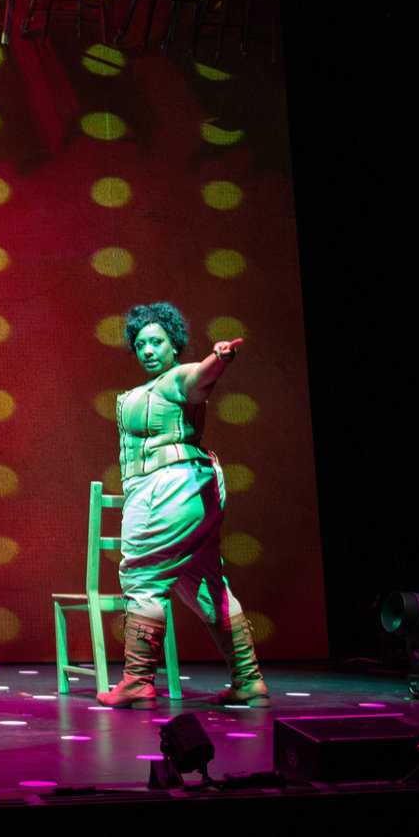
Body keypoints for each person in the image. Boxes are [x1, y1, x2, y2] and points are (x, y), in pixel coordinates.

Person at [99, 302, 268, 709]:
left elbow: (199, 378)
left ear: (175, 345)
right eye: (140, 344)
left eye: (157, 341)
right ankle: (249, 681)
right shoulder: (148, 388)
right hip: (191, 493)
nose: (147, 350)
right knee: (206, 585)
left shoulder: (176, 378)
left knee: (142, 579)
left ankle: (138, 682)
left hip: (169, 489)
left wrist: (217, 358)